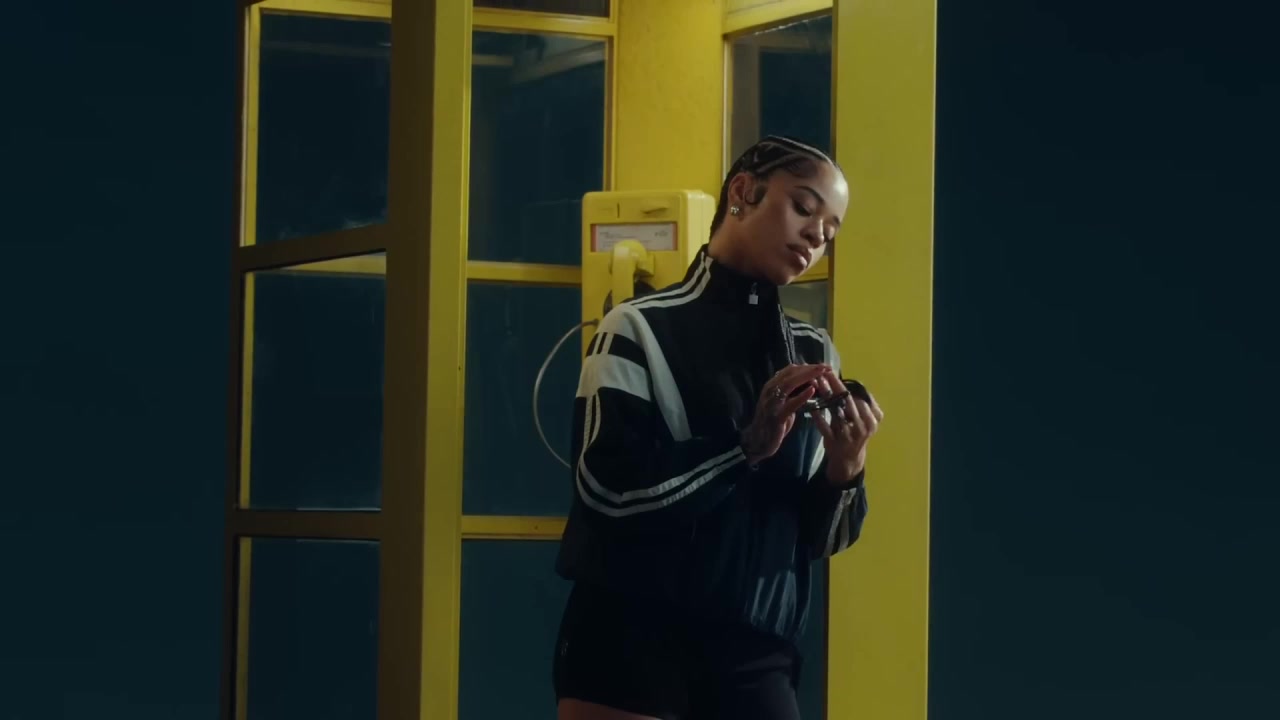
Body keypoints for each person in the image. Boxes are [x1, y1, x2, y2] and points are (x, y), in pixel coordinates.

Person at [552, 135, 883, 720]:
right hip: (630, 640)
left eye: (831, 230)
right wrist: (744, 447)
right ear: (742, 192)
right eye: (804, 208)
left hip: (757, 654)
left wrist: (846, 469)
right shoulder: (636, 327)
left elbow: (816, 542)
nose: (816, 236)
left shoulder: (814, 351)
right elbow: (606, 490)